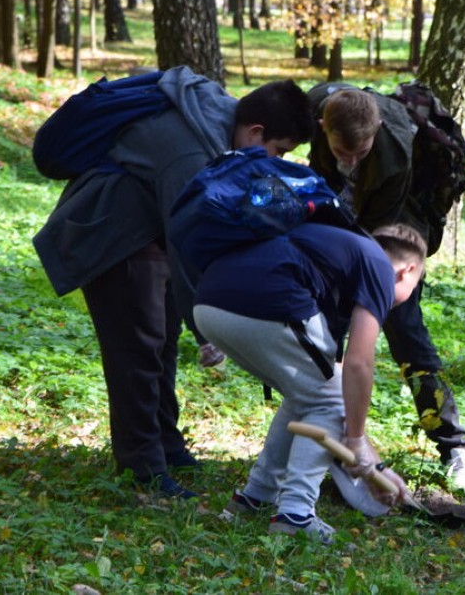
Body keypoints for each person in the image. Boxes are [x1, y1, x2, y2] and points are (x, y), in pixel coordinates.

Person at [33, 68, 314, 498]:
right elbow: (189, 240)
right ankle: (142, 467)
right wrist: (206, 329)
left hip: (146, 233)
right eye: (278, 151)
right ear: (255, 131)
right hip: (111, 236)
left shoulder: (219, 121)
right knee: (138, 350)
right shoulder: (190, 152)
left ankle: (167, 444)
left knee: (161, 340)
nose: (276, 161)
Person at [192, 223, 425, 539]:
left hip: (209, 304)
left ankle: (254, 498)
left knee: (309, 392)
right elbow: (358, 364)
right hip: (264, 306)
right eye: (415, 286)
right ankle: (295, 515)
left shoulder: (340, 259)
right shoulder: (380, 268)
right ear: (408, 270)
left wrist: (376, 468)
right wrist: (356, 441)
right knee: (325, 399)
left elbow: (327, 381)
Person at [305, 82, 465, 494]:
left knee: (406, 335)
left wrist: (365, 281)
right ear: (322, 127)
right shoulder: (316, 111)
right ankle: (328, 445)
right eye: (340, 152)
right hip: (342, 226)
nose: (348, 162)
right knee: (323, 339)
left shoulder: (395, 155)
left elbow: (370, 239)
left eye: (359, 154)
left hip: (392, 233)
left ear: (377, 131)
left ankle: (454, 446)